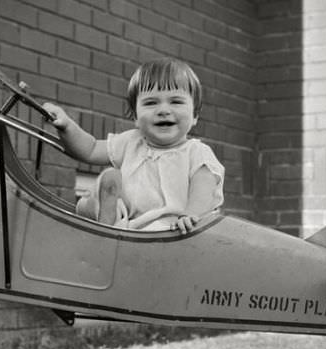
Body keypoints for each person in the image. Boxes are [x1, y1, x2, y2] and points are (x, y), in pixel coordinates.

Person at [43, 57, 224, 234]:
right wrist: (66, 126)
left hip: (172, 230)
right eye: (151, 103)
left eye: (176, 101)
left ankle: (96, 214)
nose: (163, 110)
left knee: (93, 205)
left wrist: (191, 215)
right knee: (107, 182)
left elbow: (204, 189)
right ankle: (105, 218)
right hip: (128, 227)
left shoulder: (197, 152)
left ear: (195, 115)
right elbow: (90, 149)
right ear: (135, 117)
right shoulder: (131, 142)